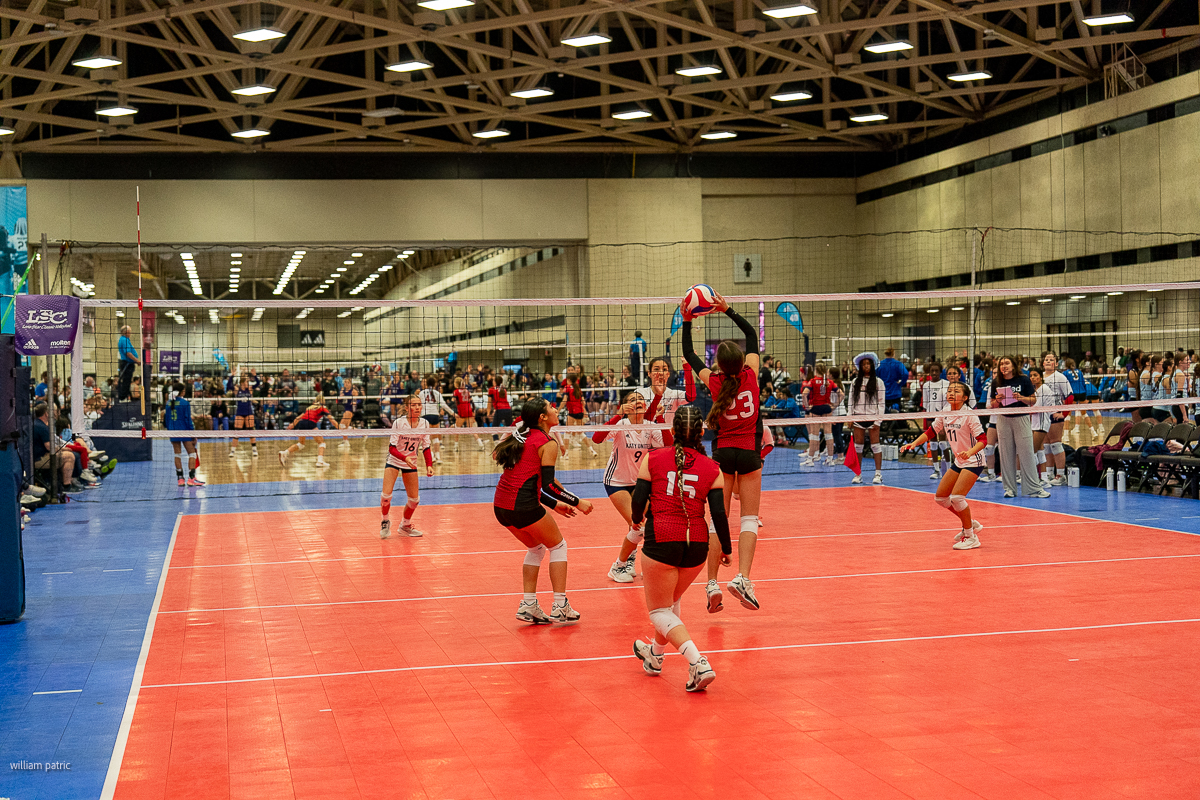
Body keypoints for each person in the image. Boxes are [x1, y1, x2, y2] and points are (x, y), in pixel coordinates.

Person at [630, 406, 731, 692]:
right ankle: (655, 656)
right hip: (697, 546)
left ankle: (698, 662)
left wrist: (636, 520)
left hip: (662, 539)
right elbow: (719, 515)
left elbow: (638, 500)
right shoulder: (713, 468)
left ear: (672, 432)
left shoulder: (653, 458)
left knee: (659, 611)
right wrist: (725, 548)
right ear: (702, 432)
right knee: (671, 603)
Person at [680, 289, 762, 613]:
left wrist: (687, 320)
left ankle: (712, 582)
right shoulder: (752, 375)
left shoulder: (714, 382)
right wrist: (727, 309)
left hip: (723, 454)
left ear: (719, 365)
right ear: (742, 362)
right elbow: (752, 335)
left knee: (718, 520)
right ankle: (743, 578)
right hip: (749, 452)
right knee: (749, 519)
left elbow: (688, 353)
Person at [492, 397, 594, 625]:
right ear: (543, 417)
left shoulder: (522, 435)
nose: (556, 409)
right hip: (523, 506)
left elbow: (532, 481)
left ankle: (529, 605)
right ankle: (560, 606)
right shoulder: (547, 442)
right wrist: (578, 502)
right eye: (551, 407)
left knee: (536, 548)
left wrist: (555, 505)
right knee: (558, 546)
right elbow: (547, 485)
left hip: (501, 507)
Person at [900, 381, 987, 550]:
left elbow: (983, 440)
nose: (951, 393)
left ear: (965, 397)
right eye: (949, 390)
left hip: (973, 460)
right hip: (959, 461)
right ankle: (969, 523)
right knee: (941, 497)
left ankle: (971, 536)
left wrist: (969, 452)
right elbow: (931, 432)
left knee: (957, 497)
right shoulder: (945, 411)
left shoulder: (969, 415)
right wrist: (914, 443)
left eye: (956, 391)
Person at [596, 390, 667, 582]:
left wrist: (660, 419)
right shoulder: (621, 424)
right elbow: (597, 438)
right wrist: (619, 414)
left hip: (639, 482)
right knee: (637, 525)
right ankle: (618, 566)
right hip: (616, 482)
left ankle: (633, 563)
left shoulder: (650, 426)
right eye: (633, 399)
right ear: (627, 406)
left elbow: (667, 445)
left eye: (641, 399)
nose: (638, 401)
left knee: (645, 525)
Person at [987, 355, 1048, 499]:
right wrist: (997, 400)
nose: (1004, 366)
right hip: (1003, 419)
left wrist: (1021, 398)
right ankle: (1009, 489)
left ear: (1013, 365)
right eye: (1001, 364)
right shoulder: (996, 382)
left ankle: (1034, 489)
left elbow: (1033, 400)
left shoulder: (1023, 380)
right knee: (1006, 455)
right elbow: (992, 404)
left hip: (1021, 418)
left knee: (1027, 453)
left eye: (1007, 363)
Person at [380, 395, 435, 539]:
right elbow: (392, 448)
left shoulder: (425, 424)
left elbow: (426, 447)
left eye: (419, 405)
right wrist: (404, 458)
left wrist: (429, 465)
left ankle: (405, 525)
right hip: (395, 460)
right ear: (406, 407)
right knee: (386, 496)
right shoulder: (399, 423)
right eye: (413, 405)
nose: (417, 408)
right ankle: (385, 521)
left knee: (414, 500)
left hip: (411, 463)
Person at [848, 352, 886, 485]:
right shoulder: (855, 382)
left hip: (873, 417)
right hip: (858, 417)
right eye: (863, 364)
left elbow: (881, 403)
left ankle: (878, 474)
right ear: (860, 366)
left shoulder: (878, 382)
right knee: (858, 447)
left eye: (868, 364)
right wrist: (850, 417)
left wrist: (878, 420)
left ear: (872, 365)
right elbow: (850, 401)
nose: (866, 366)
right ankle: (858, 474)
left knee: (875, 446)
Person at [1040, 352, 1073, 486]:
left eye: (1051, 360)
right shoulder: (1040, 376)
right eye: (1046, 359)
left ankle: (1061, 475)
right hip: (1043, 415)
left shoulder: (1060, 377)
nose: (1048, 361)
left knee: (1055, 444)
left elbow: (1070, 396)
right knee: (1046, 446)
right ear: (1043, 363)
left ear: (1056, 363)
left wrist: (1063, 414)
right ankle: (1049, 474)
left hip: (1055, 414)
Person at [163, 383, 204, 487]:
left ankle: (180, 479)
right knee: (192, 454)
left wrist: (170, 429)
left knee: (177, 454)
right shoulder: (185, 403)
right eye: (184, 390)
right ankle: (191, 478)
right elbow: (188, 420)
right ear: (181, 392)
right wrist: (193, 434)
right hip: (184, 431)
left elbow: (166, 420)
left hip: (173, 431)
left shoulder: (168, 403)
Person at [800, 363, 839, 466]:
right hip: (827, 408)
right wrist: (834, 406)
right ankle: (830, 459)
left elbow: (804, 394)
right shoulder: (829, 382)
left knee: (814, 434)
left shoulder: (812, 381)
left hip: (816, 408)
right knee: (828, 434)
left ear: (816, 370)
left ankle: (810, 459)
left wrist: (807, 406)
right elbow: (842, 394)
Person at [279, 394, 332, 467]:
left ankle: (285, 452)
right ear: (323, 401)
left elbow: (299, 417)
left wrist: (293, 424)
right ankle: (320, 461)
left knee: (301, 444)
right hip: (311, 423)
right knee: (321, 443)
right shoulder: (323, 408)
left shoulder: (309, 408)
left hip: (302, 423)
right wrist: (339, 427)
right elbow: (331, 419)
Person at [921, 361, 949, 480]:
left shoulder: (946, 384)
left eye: (936, 371)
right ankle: (936, 470)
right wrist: (927, 414)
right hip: (930, 414)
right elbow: (925, 402)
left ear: (940, 372)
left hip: (942, 415)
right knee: (932, 442)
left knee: (943, 442)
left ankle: (948, 468)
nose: (934, 373)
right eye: (932, 371)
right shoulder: (926, 385)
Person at [419, 377, 454, 463]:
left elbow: (419, 405)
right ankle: (438, 457)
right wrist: (453, 413)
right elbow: (443, 405)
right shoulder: (437, 393)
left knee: (427, 438)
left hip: (425, 415)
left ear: (426, 384)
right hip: (435, 415)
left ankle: (431, 456)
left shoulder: (422, 393)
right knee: (435, 437)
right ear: (435, 384)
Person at [1029, 367, 1052, 486]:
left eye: (1035, 375)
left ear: (1040, 377)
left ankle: (1034, 478)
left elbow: (1036, 408)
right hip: (1035, 423)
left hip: (1042, 423)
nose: (1032, 378)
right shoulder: (1036, 390)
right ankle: (1044, 478)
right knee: (1039, 451)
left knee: (1032, 451)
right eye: (1031, 376)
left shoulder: (1043, 389)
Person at [228, 376, 258, 458]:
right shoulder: (237, 390)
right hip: (240, 412)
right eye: (246, 382)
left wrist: (254, 376)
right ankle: (232, 451)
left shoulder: (250, 389)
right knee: (237, 432)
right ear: (242, 383)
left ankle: (254, 450)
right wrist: (232, 376)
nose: (247, 383)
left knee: (251, 431)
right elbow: (229, 386)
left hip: (249, 412)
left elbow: (257, 384)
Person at [876, 348, 908, 412]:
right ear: (893, 354)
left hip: (883, 393)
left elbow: (875, 376)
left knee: (883, 413)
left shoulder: (880, 364)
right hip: (895, 393)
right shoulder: (898, 364)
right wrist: (901, 383)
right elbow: (905, 374)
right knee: (896, 412)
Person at [117, 325, 141, 402]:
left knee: (127, 380)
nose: (130, 334)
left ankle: (125, 397)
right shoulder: (124, 340)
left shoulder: (124, 339)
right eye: (129, 332)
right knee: (126, 381)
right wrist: (137, 360)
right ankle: (123, 398)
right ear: (126, 332)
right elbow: (128, 353)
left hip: (127, 363)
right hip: (127, 363)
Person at [487, 376, 513, 441]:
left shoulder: (491, 390)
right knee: (510, 428)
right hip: (508, 409)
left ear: (495, 382)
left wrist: (488, 413)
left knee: (494, 429)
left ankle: (496, 442)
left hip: (499, 410)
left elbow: (489, 403)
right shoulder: (503, 389)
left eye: (493, 380)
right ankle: (511, 442)